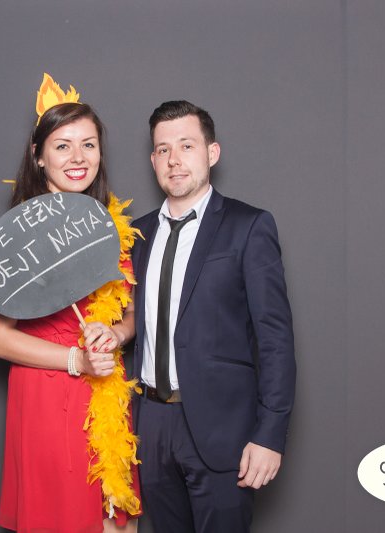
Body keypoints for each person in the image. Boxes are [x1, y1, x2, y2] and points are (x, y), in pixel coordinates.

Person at [0, 75, 141, 532]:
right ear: (39, 155)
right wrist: (76, 360)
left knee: (115, 523)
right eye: (62, 146)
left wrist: (116, 333)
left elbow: (130, 311)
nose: (78, 158)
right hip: (49, 397)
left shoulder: (110, 226)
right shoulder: (18, 238)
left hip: (107, 390)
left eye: (88, 145)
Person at [130, 100, 296, 532]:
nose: (174, 159)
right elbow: (131, 321)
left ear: (212, 153)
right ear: (153, 160)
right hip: (150, 424)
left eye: (186, 145)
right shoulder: (136, 234)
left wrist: (270, 434)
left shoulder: (248, 226)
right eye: (163, 149)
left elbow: (275, 339)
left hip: (223, 428)